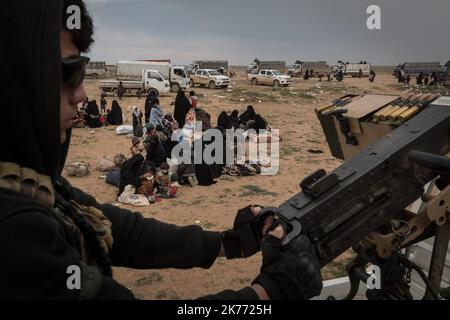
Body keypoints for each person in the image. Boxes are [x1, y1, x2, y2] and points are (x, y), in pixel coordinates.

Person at [0, 0, 322, 300]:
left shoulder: (31, 184)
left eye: (82, 72)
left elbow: (121, 231)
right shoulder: (16, 232)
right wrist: (267, 294)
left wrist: (229, 243)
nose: (82, 93)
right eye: (68, 73)